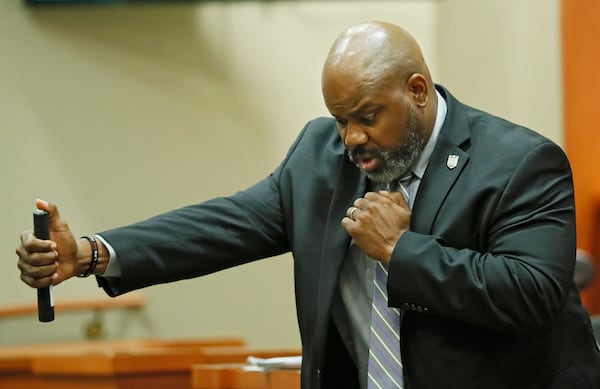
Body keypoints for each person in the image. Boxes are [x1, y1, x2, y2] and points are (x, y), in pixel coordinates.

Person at [16, 21, 600, 388]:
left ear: (417, 91)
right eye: (340, 120)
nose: (350, 139)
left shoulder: (520, 163)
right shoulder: (320, 158)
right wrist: (93, 253)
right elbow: (225, 224)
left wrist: (403, 252)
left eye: (367, 117)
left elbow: (534, 293)